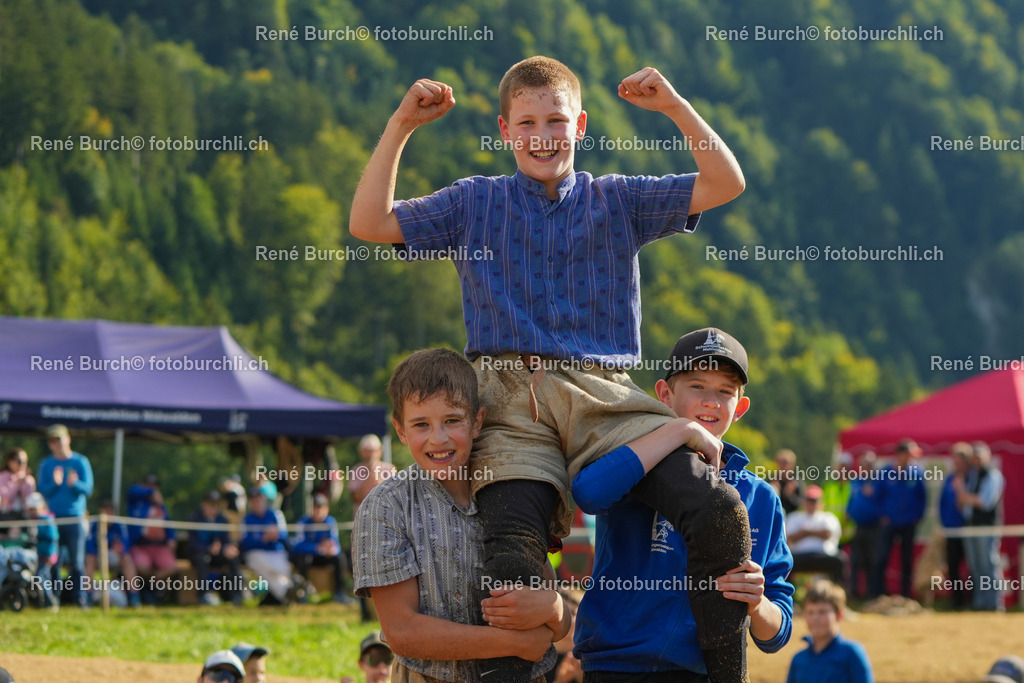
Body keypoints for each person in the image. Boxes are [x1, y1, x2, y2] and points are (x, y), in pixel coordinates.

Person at [350, 56, 748, 682]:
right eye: (528, 122)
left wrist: (673, 105)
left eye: (556, 121)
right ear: (505, 131)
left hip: (604, 397)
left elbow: (725, 183)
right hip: (507, 397)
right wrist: (402, 124)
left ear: (580, 126)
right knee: (510, 563)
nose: (543, 135)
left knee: (718, 509)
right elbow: (368, 223)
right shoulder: (474, 202)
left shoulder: (619, 198)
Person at [573, 328, 794, 681]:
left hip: (704, 673)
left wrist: (757, 602)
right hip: (614, 668)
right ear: (665, 394)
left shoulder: (761, 498)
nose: (711, 401)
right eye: (697, 386)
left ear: (740, 407)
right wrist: (679, 432)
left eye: (725, 391)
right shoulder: (639, 463)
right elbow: (588, 493)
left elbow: (776, 635)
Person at [353, 348, 570, 683]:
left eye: (452, 421)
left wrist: (554, 609)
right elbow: (402, 631)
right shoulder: (386, 505)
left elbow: (554, 620)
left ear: (477, 422)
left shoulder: (512, 489)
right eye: (421, 424)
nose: (438, 438)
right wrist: (512, 643)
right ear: (400, 430)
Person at [36, 423, 93, 608]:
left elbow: (88, 489)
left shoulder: (80, 461)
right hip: (53, 520)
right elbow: (42, 490)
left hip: (75, 518)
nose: (55, 444)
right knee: (54, 561)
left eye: (58, 439)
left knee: (77, 563)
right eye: (52, 441)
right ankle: (54, 598)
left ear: (67, 439)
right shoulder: (46, 464)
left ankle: (80, 598)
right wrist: (55, 483)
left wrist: (75, 483)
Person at [785, 580, 873, 683]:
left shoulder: (852, 653)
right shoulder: (798, 659)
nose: (815, 618)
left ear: (839, 615)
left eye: (822, 612)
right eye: (810, 612)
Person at [870, 439, 927, 598]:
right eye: (909, 454)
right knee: (882, 557)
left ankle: (905, 595)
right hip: (889, 522)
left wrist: (917, 516)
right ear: (901, 455)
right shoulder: (885, 472)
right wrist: (883, 516)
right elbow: (877, 497)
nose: (912, 458)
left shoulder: (917, 472)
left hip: (908, 522)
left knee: (907, 560)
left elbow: (922, 498)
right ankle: (877, 594)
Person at [958, 441, 1005, 611]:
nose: (976, 461)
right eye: (974, 458)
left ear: (987, 457)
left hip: (986, 526)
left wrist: (965, 496)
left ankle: (994, 603)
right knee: (975, 566)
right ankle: (980, 603)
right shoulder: (973, 476)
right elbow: (965, 504)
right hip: (971, 526)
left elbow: (985, 502)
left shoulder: (992, 475)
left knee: (988, 564)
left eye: (979, 457)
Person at [291, 492, 351, 603]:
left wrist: (332, 550)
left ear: (326, 509)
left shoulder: (330, 522)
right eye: (315, 508)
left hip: (323, 557)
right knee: (303, 558)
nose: (318, 511)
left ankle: (340, 592)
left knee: (339, 558)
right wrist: (317, 548)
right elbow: (297, 545)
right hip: (309, 557)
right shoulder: (304, 522)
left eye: (321, 508)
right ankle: (302, 592)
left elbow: (335, 544)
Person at [126, 475, 178, 598]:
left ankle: (151, 586)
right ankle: (151, 590)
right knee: (141, 567)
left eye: (154, 486)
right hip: (141, 545)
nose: (152, 488)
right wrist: (151, 492)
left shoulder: (160, 506)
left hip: (160, 546)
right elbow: (132, 490)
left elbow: (167, 522)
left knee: (172, 568)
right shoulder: (136, 501)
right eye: (149, 485)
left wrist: (171, 538)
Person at [240, 486, 293, 606]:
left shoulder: (275, 515)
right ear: (250, 502)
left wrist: (276, 535)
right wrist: (262, 538)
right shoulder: (247, 519)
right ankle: (287, 591)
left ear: (264, 500)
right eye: (254, 500)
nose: (257, 502)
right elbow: (244, 542)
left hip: (276, 552)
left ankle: (283, 594)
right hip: (256, 553)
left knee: (277, 570)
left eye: (259, 499)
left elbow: (285, 536)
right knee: (268, 567)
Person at [189, 490, 243, 606]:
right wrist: (208, 548)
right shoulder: (195, 519)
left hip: (218, 553)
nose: (214, 508)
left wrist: (227, 548)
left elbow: (226, 540)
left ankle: (237, 595)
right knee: (202, 560)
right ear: (204, 504)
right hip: (200, 553)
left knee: (233, 558)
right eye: (211, 504)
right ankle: (202, 596)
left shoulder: (223, 520)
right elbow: (192, 544)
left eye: (216, 505)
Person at [85, 498, 141, 607]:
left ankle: (134, 596)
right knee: (90, 559)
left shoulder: (119, 525)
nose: (107, 514)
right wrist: (100, 552)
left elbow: (125, 545)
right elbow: (89, 545)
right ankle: (89, 596)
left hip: (114, 556)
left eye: (109, 511)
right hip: (98, 556)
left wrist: (119, 549)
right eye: (104, 511)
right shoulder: (94, 524)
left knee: (127, 559)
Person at [786, 485, 846, 586]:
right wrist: (814, 532)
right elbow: (790, 538)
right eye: (809, 500)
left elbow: (827, 534)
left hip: (823, 554)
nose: (811, 503)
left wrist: (805, 532)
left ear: (821, 502)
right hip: (800, 555)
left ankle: (838, 590)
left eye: (815, 500)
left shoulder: (828, 517)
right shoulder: (794, 517)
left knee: (840, 559)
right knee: (786, 562)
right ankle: (788, 593)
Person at [939, 443, 971, 609]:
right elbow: (942, 503)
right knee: (953, 565)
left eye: (959, 461)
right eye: (955, 461)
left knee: (973, 565)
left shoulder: (971, 478)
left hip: (968, 530)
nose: (957, 465)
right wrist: (945, 524)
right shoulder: (950, 479)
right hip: (951, 530)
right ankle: (957, 600)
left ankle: (972, 598)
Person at [845, 452, 880, 600]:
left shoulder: (878, 482)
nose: (867, 467)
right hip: (857, 526)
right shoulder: (856, 482)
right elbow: (851, 501)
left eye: (869, 465)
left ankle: (872, 592)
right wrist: (848, 513)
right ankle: (854, 592)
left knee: (872, 561)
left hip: (874, 527)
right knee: (856, 560)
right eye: (864, 465)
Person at [24, 492, 59, 609]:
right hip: (40, 554)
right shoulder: (35, 520)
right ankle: (45, 600)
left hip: (48, 554)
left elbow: (53, 538)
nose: (32, 512)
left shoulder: (47, 520)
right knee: (44, 576)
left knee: (40, 576)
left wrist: (50, 554)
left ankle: (49, 600)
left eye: (34, 509)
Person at [0, 448, 36, 537]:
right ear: (9, 462)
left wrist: (25, 482)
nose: (22, 464)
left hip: (23, 515)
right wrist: (16, 484)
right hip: (6, 514)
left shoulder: (29, 480)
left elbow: (29, 501)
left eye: (24, 461)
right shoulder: (3, 477)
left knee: (32, 530)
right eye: (19, 461)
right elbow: (5, 498)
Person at [770, 449, 804, 514]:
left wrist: (791, 496)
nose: (782, 466)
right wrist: (773, 492)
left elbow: (802, 505)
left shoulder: (796, 482)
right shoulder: (772, 480)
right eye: (780, 462)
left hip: (792, 517)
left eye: (785, 463)